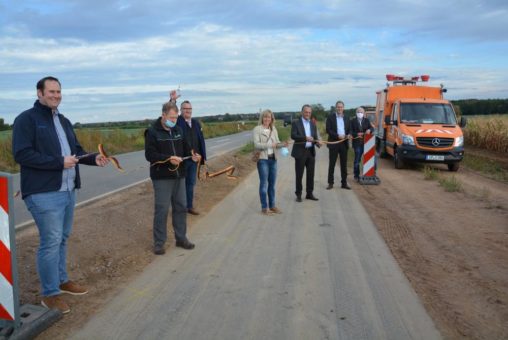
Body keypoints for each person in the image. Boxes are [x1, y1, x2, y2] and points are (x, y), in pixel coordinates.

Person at [12, 76, 109, 314]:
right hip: (43, 193)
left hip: (67, 190)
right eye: (51, 91)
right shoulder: (26, 119)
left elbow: (75, 152)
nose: (56, 95)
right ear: (39, 93)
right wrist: (58, 162)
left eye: (59, 92)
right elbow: (22, 154)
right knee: (51, 241)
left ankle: (62, 281)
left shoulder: (63, 120)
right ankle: (49, 294)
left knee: (62, 238)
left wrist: (93, 159)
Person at [145, 101, 200, 255]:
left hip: (179, 175)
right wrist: (169, 158)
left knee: (181, 207)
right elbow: (150, 155)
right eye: (171, 118)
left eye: (176, 118)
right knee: (162, 210)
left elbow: (186, 148)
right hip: (162, 177)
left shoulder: (178, 130)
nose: (174, 121)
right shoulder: (152, 132)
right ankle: (159, 243)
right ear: (163, 115)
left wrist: (193, 155)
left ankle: (181, 238)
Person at [253, 109, 286, 214]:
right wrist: (269, 145)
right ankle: (264, 207)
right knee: (264, 184)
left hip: (273, 159)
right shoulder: (257, 129)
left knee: (272, 184)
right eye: (265, 117)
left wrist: (283, 144)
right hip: (263, 160)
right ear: (262, 118)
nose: (267, 119)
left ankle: (272, 206)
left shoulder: (274, 129)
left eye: (269, 117)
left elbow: (277, 143)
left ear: (272, 119)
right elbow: (257, 145)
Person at [176, 100, 206, 215]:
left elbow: (200, 140)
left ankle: (189, 207)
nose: (188, 111)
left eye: (190, 109)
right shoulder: (178, 122)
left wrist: (200, 155)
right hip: (181, 160)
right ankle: (180, 208)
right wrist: (172, 100)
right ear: (180, 110)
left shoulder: (196, 123)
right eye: (185, 109)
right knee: (180, 185)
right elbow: (170, 112)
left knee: (190, 184)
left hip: (194, 160)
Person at [291, 104, 321, 202]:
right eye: (306, 112)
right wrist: (305, 138)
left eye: (309, 112)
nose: (307, 114)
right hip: (300, 152)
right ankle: (298, 194)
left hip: (310, 152)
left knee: (310, 174)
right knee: (299, 175)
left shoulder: (313, 124)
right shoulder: (296, 123)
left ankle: (309, 193)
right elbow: (293, 136)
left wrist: (318, 143)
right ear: (302, 112)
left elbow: (315, 137)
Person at [325, 100, 351, 190]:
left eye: (341, 107)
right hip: (334, 143)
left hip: (344, 143)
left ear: (343, 108)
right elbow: (328, 130)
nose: (339, 108)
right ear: (336, 108)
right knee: (332, 164)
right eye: (338, 107)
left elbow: (349, 129)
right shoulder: (330, 117)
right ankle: (330, 183)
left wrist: (348, 135)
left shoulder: (347, 118)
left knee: (344, 164)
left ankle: (344, 183)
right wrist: (337, 136)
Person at [350, 107, 372, 181]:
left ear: (364, 113)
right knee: (357, 160)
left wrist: (369, 130)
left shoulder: (367, 120)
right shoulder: (352, 121)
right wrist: (356, 134)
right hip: (357, 144)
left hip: (366, 143)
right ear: (356, 113)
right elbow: (350, 132)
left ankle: (369, 174)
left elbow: (372, 128)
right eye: (359, 112)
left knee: (369, 159)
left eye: (361, 112)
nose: (360, 113)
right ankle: (356, 175)